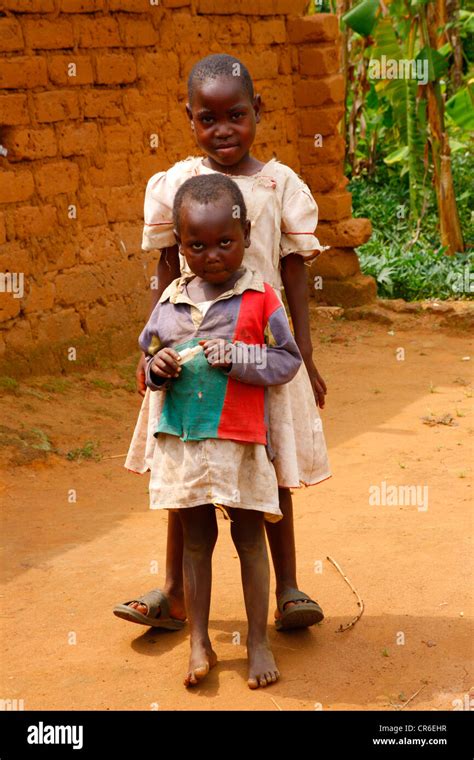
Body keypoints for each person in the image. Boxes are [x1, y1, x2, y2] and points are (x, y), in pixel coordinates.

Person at [113, 53, 330, 634]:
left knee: (274, 467)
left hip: (260, 355)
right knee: (183, 474)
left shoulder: (278, 185)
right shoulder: (177, 185)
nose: (223, 129)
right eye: (208, 119)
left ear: (258, 110)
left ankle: (287, 589)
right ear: (188, 119)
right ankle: (172, 592)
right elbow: (166, 269)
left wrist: (304, 358)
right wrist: (156, 345)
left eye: (236, 115)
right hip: (191, 363)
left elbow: (294, 274)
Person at [140, 173, 301, 687]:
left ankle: (257, 642)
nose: (211, 255)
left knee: (250, 538)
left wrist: (238, 357)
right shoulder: (170, 300)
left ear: (247, 235)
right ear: (181, 245)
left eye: (225, 242)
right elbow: (145, 360)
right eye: (197, 245)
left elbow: (286, 360)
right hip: (185, 444)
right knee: (195, 540)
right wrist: (156, 366)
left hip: (241, 443)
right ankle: (199, 642)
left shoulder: (261, 298)